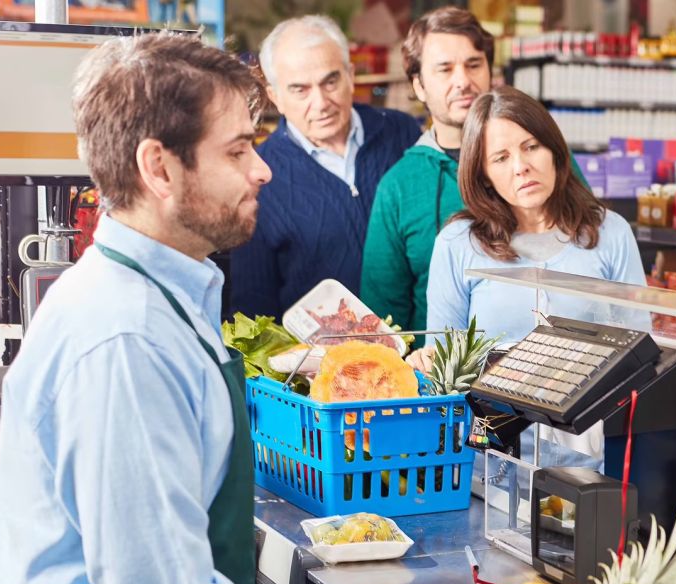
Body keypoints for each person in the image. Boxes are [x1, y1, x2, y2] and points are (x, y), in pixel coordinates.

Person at [0, 33, 270, 584]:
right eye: (238, 151)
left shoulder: (163, 296)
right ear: (159, 167)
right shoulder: (126, 340)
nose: (262, 170)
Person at [424, 86, 646, 462]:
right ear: (483, 174)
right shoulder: (458, 243)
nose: (520, 166)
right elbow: (445, 373)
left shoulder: (610, 232)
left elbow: (641, 353)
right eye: (500, 157)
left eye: (531, 147)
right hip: (490, 460)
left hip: (590, 458)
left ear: (555, 151)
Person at [227, 15, 420, 320]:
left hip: (422, 349)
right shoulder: (256, 178)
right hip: (319, 363)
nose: (320, 103)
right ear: (275, 97)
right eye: (300, 90)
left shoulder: (404, 134)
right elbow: (254, 314)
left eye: (330, 82)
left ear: (351, 75)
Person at [359, 7, 494, 345]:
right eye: (445, 69)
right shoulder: (399, 186)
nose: (463, 80)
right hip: (438, 389)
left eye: (474, 64)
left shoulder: (537, 157)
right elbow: (384, 320)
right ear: (418, 86)